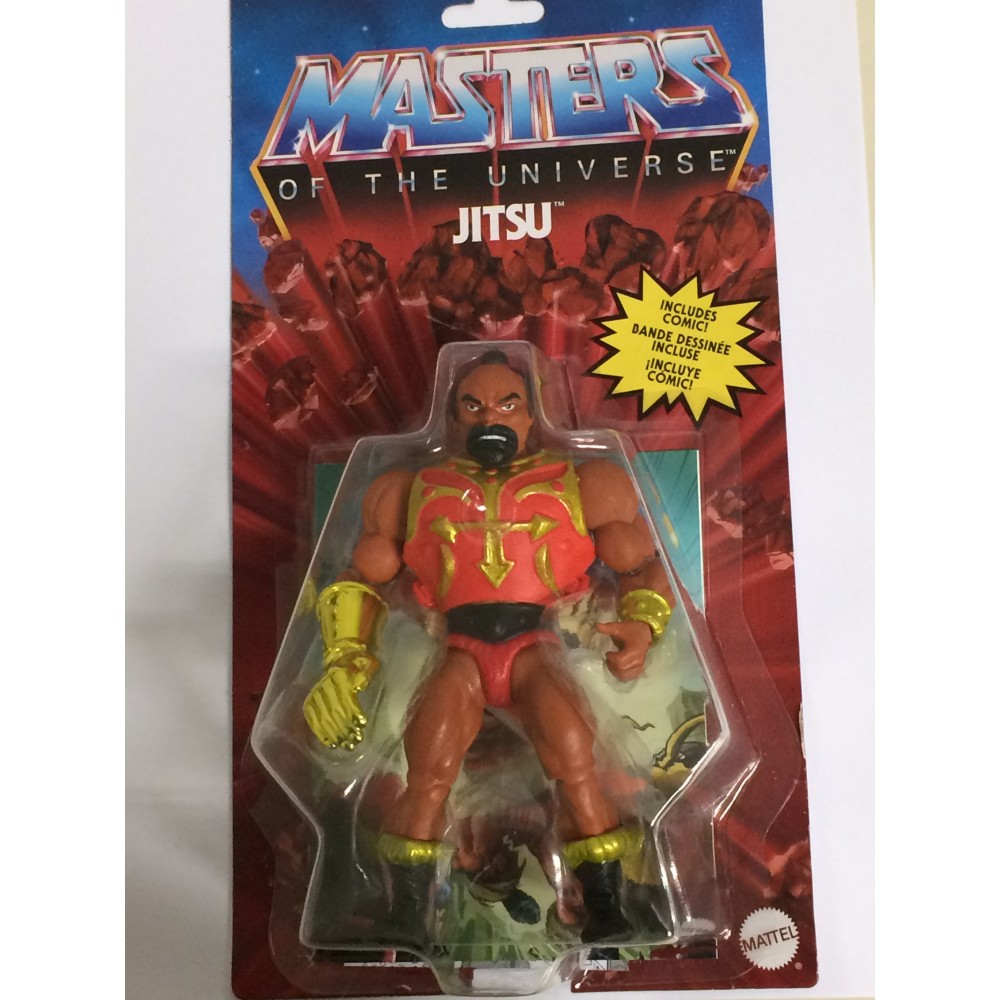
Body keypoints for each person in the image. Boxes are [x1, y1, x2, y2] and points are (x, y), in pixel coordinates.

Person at [303, 350, 673, 946]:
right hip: (462, 650)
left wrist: (643, 624)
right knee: (427, 775)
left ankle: (606, 907)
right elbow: (361, 579)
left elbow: (642, 565)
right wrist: (345, 659)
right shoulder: (409, 489)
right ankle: (408, 914)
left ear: (532, 414)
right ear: (452, 417)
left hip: (534, 646)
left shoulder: (585, 483)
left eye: (507, 404)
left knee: (577, 768)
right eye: (473, 405)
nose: (489, 418)